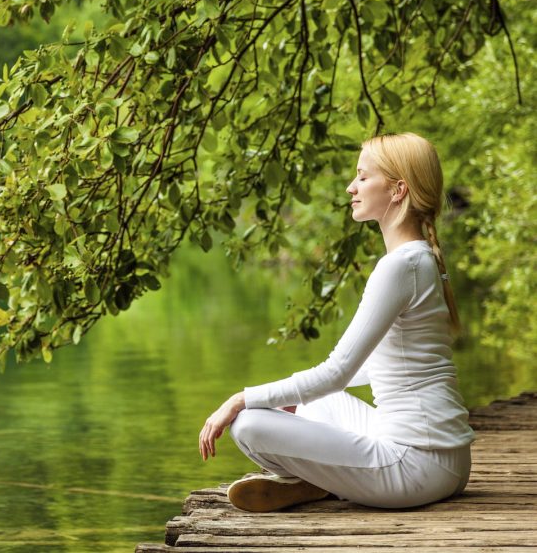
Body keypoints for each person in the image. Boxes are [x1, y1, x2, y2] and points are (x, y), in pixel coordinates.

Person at [198, 132, 475, 512]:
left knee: (247, 424)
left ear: (397, 190)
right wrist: (294, 401)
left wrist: (240, 399)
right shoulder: (418, 258)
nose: (351, 187)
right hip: (447, 464)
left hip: (416, 470)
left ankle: (316, 481)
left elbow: (338, 371)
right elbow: (376, 368)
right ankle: (319, 483)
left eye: (363, 177)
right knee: (309, 402)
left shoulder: (400, 266)